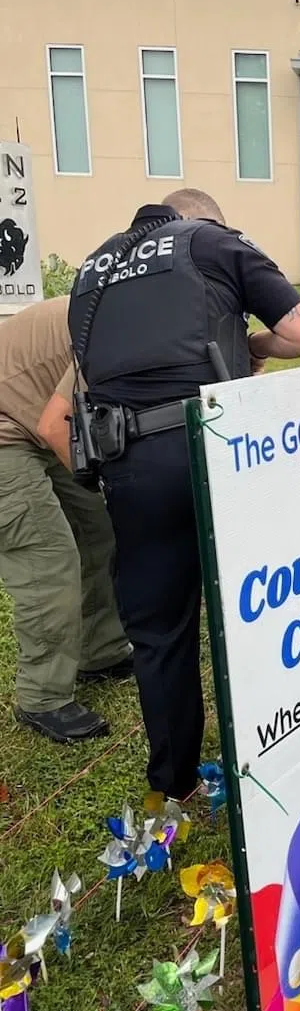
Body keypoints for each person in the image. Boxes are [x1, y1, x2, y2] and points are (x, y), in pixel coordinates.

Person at [38, 188, 300, 800]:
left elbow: (84, 384)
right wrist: (251, 346)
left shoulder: (94, 269)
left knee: (161, 635)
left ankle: (175, 786)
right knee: (261, 607)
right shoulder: (214, 242)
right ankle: (279, 762)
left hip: (128, 465)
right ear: (206, 221)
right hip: (213, 453)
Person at [0, 297, 132, 742]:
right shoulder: (118, 327)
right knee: (48, 553)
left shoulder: (140, 308)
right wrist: (100, 482)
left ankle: (101, 650)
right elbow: (57, 427)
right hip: (13, 430)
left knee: (99, 526)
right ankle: (42, 696)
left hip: (30, 416)